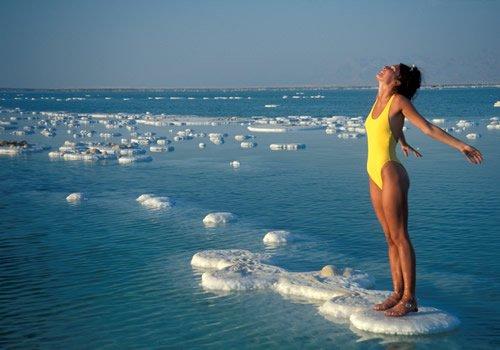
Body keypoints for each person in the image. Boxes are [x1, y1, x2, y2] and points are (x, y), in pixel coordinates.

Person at [364, 63, 483, 317]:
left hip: (390, 171)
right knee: (389, 237)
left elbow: (427, 127)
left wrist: (462, 146)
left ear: (397, 80)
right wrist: (403, 141)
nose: (386, 67)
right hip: (373, 175)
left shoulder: (399, 100)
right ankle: (397, 292)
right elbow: (388, 129)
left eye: (392, 68)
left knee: (400, 236)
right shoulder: (378, 99)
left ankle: (409, 298)